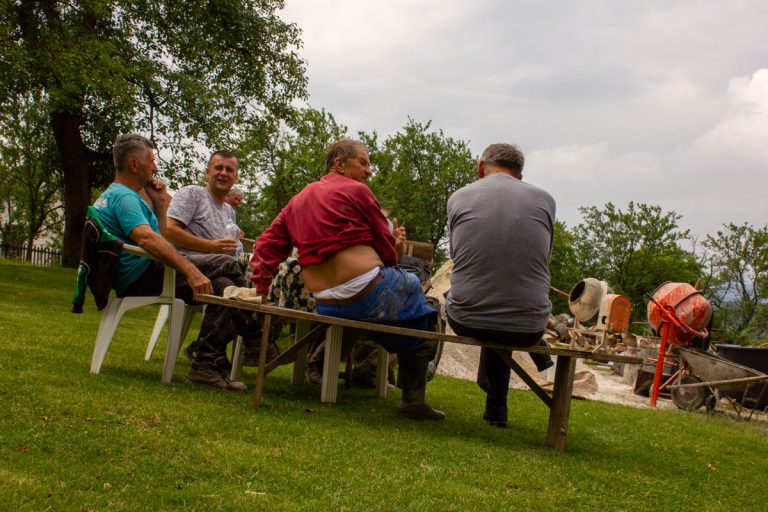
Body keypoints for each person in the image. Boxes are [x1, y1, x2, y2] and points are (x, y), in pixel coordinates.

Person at [250, 138, 444, 420]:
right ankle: (412, 395)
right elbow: (388, 253)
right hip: (368, 291)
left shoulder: (298, 199)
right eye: (363, 163)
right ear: (339, 164)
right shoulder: (357, 191)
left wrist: (261, 287)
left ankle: (372, 364)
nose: (369, 171)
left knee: (404, 315)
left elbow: (267, 245)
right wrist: (393, 247)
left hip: (326, 301)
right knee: (423, 305)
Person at [93, 134, 247, 391]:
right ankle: (256, 329)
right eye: (151, 160)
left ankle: (205, 366)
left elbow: (161, 236)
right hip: (142, 277)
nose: (154, 167)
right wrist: (190, 270)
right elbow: (147, 240)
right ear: (134, 164)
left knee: (221, 285)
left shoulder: (120, 195)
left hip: (148, 273)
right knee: (228, 266)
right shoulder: (125, 197)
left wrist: (161, 202)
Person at [446, 143, 555, 428]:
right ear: (520, 175)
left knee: (479, 300)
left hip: (467, 319)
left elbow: (457, 257)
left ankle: (495, 402)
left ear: (481, 168)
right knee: (504, 306)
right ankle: (496, 405)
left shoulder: (459, 197)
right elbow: (540, 257)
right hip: (528, 326)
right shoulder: (545, 200)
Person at [165, 151, 273, 365]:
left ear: (236, 177)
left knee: (226, 288)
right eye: (218, 168)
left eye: (229, 170)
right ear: (207, 172)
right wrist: (210, 246)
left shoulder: (228, 211)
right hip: (181, 272)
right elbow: (168, 231)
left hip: (213, 278)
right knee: (231, 269)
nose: (223, 173)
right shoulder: (192, 194)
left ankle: (206, 359)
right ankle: (255, 333)